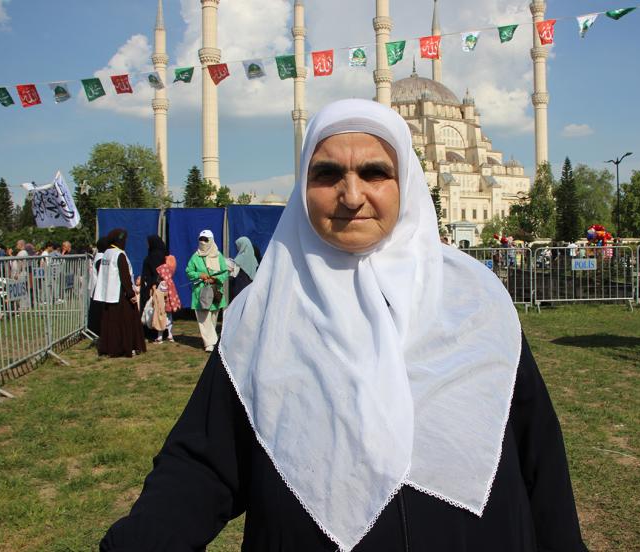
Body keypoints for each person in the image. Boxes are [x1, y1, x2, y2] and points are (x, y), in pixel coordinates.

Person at [101, 99, 586, 551]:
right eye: (328, 174)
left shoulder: (474, 299)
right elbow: (204, 462)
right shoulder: (264, 313)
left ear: (405, 182)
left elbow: (538, 452)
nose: (351, 196)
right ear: (303, 187)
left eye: (374, 172)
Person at [93, 229, 146, 357]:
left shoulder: (107, 253)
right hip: (120, 294)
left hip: (108, 293)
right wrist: (131, 294)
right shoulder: (119, 254)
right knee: (125, 321)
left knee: (110, 322)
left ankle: (110, 346)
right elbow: (124, 276)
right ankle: (124, 346)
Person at [185, 229, 228, 353]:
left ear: (211, 240)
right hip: (201, 293)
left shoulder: (218, 256)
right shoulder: (195, 256)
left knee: (213, 318)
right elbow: (189, 271)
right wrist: (199, 275)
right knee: (204, 319)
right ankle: (210, 343)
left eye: (205, 240)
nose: (203, 242)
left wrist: (215, 279)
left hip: (215, 291)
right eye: (201, 239)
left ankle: (210, 341)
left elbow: (225, 272)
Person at [139, 235, 170, 343]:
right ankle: (159, 332)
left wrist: (153, 285)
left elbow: (156, 272)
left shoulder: (155, 256)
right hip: (155, 286)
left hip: (152, 287)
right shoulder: (159, 254)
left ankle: (151, 333)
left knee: (152, 309)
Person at [88, 236, 110, 337]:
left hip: (95, 288)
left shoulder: (99, 257)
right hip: (98, 289)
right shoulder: (101, 259)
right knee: (98, 312)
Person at [156, 254, 181, 342]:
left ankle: (160, 336)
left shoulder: (163, 283)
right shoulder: (171, 282)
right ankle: (170, 335)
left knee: (161, 319)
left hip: (163, 306)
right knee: (170, 318)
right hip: (169, 305)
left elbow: (161, 294)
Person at [229, 236, 258, 302]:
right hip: (250, 286)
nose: (237, 248)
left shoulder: (241, 258)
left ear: (243, 246)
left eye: (238, 246)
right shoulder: (254, 259)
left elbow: (234, 272)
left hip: (240, 285)